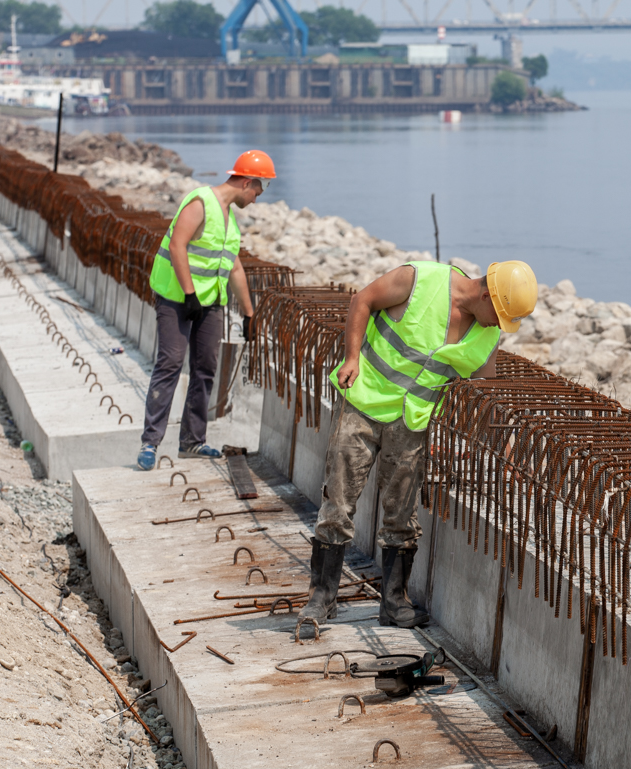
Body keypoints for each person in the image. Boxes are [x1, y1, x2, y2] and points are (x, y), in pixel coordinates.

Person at [299, 260, 539, 628]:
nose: (497, 325)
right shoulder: (419, 280)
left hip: (410, 423)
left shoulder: (488, 335)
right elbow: (362, 301)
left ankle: (394, 602)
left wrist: (500, 445)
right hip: (363, 405)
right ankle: (321, 597)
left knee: (401, 514)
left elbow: (483, 391)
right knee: (339, 503)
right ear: (487, 293)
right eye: (500, 315)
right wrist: (352, 357)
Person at [135, 150, 274, 471]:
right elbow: (177, 245)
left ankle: (192, 441)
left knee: (205, 367)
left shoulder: (229, 219)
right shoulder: (201, 202)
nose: (257, 198)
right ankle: (150, 442)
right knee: (169, 363)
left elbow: (235, 267)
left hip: (210, 302)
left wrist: (250, 314)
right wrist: (188, 293)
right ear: (247, 182)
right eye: (259, 189)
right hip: (176, 298)